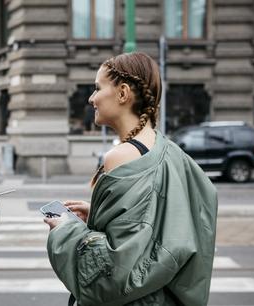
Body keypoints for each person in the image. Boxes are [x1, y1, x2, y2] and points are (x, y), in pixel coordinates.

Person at [44, 52, 218, 306]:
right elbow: (156, 225)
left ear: (123, 93)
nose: (92, 98)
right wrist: (98, 215)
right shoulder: (168, 150)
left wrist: (65, 230)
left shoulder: (121, 156)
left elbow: (110, 275)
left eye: (97, 88)